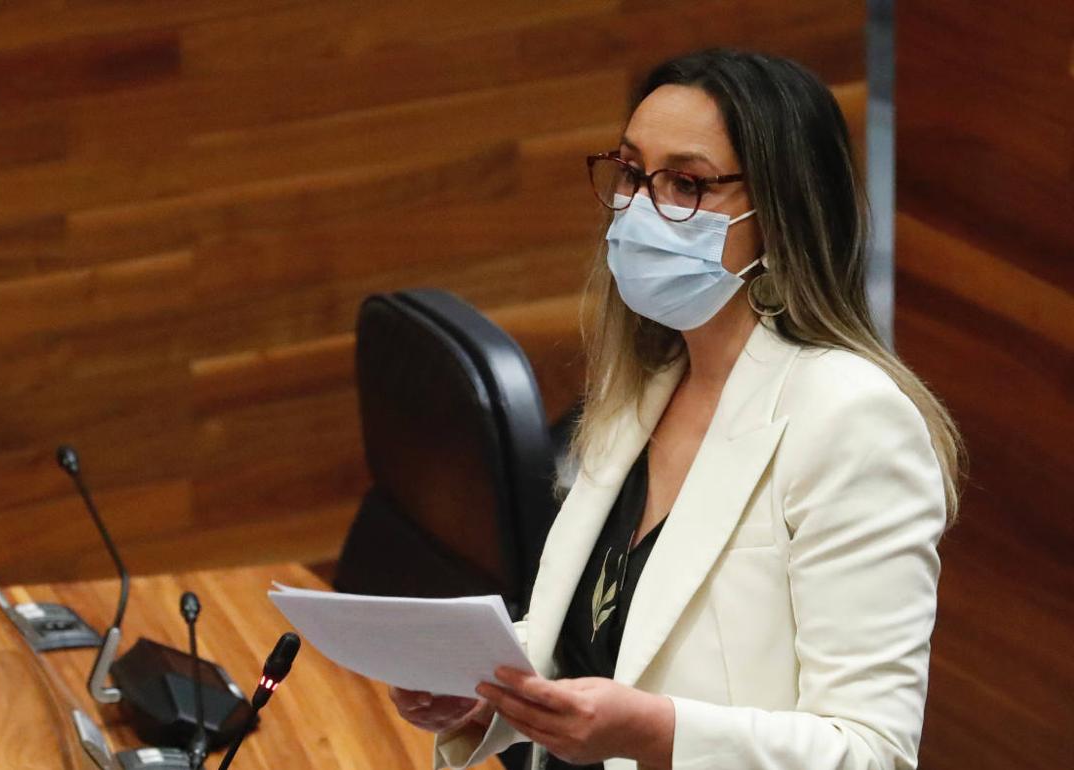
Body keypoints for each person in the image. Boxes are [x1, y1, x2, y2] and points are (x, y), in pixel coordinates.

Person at [388, 48, 962, 770]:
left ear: (781, 212)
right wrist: (488, 700)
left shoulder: (854, 422)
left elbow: (871, 753)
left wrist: (655, 734)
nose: (641, 209)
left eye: (687, 185)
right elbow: (600, 634)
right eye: (631, 174)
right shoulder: (645, 385)